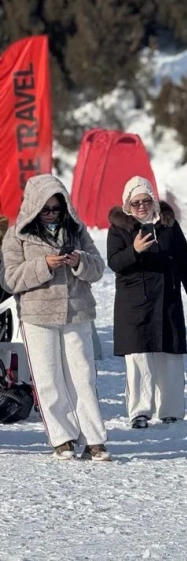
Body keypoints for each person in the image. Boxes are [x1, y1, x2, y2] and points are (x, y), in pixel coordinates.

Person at [0, 175, 111, 461]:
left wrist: (79, 261)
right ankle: (61, 438)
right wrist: (44, 265)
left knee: (83, 377)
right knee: (48, 378)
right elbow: (9, 279)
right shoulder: (16, 235)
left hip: (77, 312)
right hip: (38, 315)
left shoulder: (76, 229)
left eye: (56, 208)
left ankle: (94, 439)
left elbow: (98, 268)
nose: (51, 214)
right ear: (34, 207)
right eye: (45, 209)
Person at [107, 177, 187, 429]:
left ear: (153, 200)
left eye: (146, 201)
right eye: (135, 202)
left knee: (170, 357)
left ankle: (171, 410)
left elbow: (184, 260)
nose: (141, 206)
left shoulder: (168, 225)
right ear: (127, 204)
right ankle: (139, 412)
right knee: (139, 359)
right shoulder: (119, 229)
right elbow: (114, 262)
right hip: (134, 303)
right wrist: (134, 250)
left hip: (167, 299)